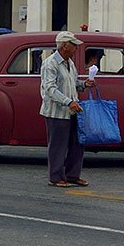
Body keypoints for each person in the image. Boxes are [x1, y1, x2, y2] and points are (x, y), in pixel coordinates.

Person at [39, 30, 88, 187]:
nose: (76, 48)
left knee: (77, 143)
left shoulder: (70, 63)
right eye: (73, 45)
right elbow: (50, 89)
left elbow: (72, 83)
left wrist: (84, 84)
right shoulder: (50, 63)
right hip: (57, 111)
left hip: (73, 109)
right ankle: (56, 177)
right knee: (58, 145)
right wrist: (68, 102)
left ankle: (72, 174)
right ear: (64, 46)